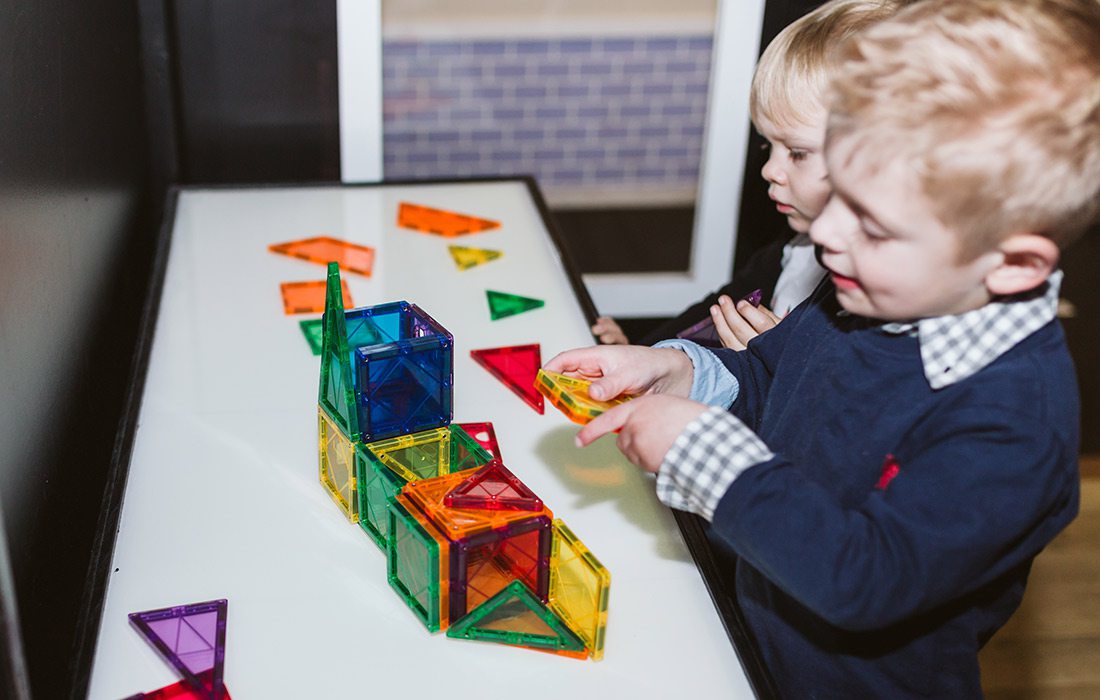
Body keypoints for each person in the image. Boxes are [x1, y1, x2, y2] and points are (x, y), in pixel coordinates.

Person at [548, 0, 1100, 695]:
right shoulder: (872, 289)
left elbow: (865, 576)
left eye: (870, 222)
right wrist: (679, 370)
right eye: (836, 193)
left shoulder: (1014, 427)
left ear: (1013, 263)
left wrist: (704, 455)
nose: (827, 235)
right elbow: (775, 377)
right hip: (759, 628)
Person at [591, 0, 908, 350]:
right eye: (766, 147)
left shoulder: (870, 303)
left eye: (797, 153)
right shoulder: (796, 251)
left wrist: (770, 367)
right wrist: (646, 351)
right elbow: (714, 311)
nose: (769, 170)